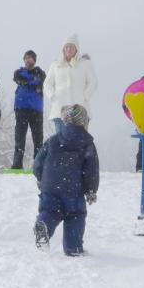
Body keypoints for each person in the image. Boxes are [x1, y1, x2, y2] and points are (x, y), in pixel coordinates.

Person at [33, 104, 99, 256]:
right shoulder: (87, 144)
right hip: (73, 190)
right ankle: (73, 248)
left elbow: (38, 162)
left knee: (49, 211)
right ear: (83, 122)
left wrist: (40, 177)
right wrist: (90, 190)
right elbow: (91, 170)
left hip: (49, 187)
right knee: (75, 215)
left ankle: (44, 225)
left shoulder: (53, 140)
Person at [43, 34, 97, 135]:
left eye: (72, 46)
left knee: (80, 142)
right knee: (61, 142)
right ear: (63, 49)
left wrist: (85, 96)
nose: (69, 49)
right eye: (66, 46)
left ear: (76, 49)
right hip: (59, 110)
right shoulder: (55, 65)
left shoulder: (85, 64)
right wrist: (52, 96)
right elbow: (47, 83)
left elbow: (93, 82)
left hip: (80, 110)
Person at [11, 50, 46, 169]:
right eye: (26, 57)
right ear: (23, 60)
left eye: (31, 58)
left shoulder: (41, 72)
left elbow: (40, 80)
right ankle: (16, 166)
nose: (28, 60)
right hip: (21, 108)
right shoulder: (18, 72)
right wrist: (32, 83)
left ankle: (38, 166)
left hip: (36, 109)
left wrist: (30, 82)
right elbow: (18, 79)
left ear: (34, 60)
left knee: (38, 139)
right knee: (19, 138)